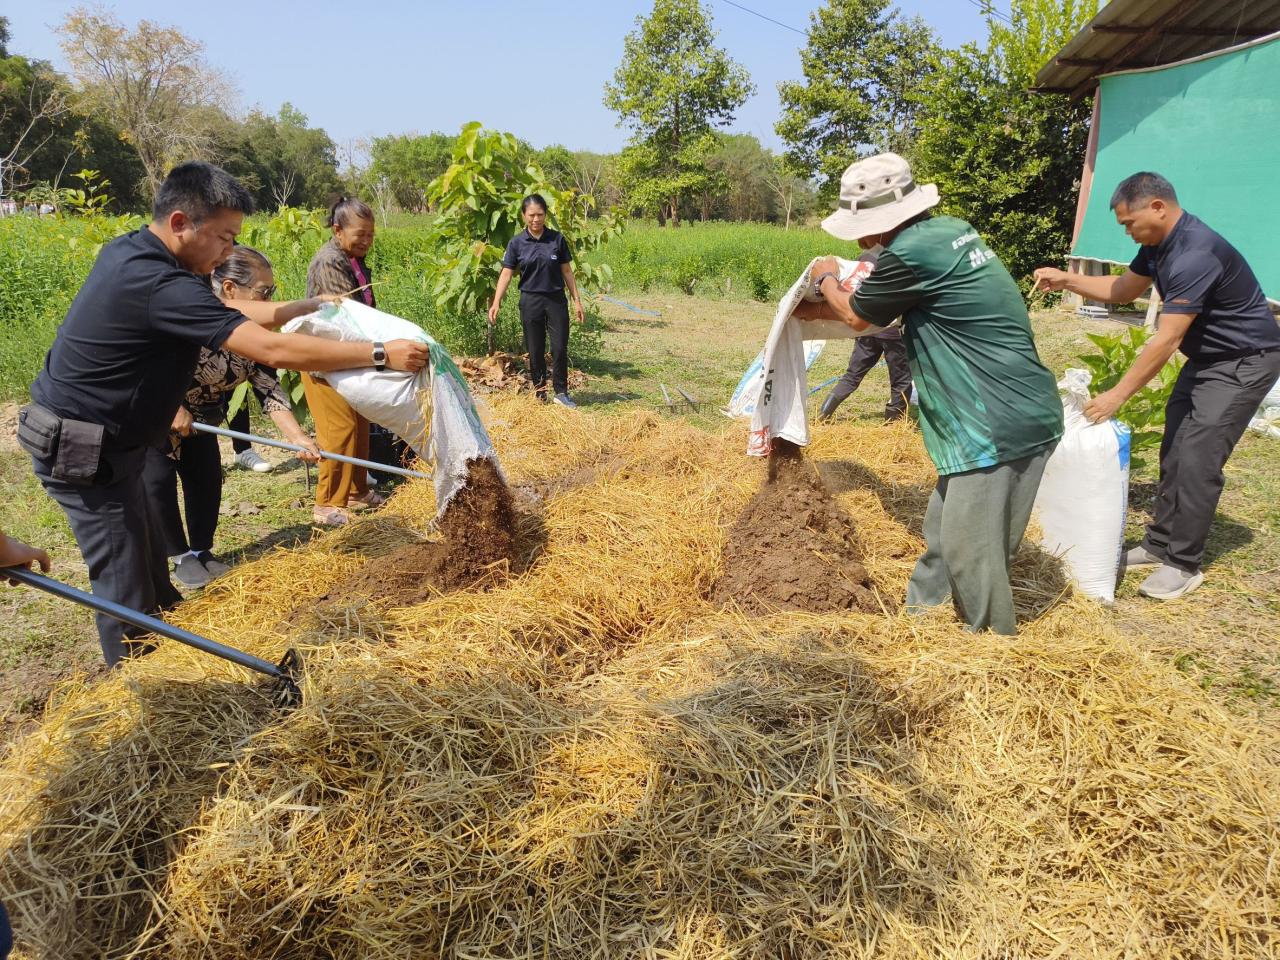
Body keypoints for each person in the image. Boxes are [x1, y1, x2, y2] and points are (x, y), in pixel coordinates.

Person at [19, 161, 428, 667]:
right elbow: (271, 352)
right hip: (82, 444)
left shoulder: (142, 255)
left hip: (113, 439)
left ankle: (165, 649)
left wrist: (303, 307)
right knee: (125, 586)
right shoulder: (155, 280)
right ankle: (136, 695)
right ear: (179, 223)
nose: (229, 251)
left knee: (150, 570)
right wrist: (379, 354)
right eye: (224, 237)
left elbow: (236, 312)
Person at [793, 153, 1063, 635]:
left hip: (996, 417)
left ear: (882, 220)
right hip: (1011, 404)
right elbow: (894, 309)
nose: (857, 237)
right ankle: (921, 621)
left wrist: (826, 277)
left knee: (970, 549)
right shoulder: (949, 233)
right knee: (943, 530)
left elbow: (859, 318)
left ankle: (990, 646)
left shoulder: (910, 254)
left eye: (861, 223)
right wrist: (812, 316)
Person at [1034, 172, 1280, 600]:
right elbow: (1123, 290)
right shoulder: (1157, 246)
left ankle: (1183, 563)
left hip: (1244, 361)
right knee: (1175, 446)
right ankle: (1157, 543)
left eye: (1129, 223)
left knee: (1199, 455)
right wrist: (1066, 278)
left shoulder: (1195, 253)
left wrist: (1116, 395)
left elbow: (1166, 339)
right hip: (1208, 359)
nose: (1127, 233)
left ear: (1158, 208)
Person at [142, 246, 323, 589]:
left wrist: (297, 437)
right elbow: (148, 363)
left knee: (206, 480)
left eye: (272, 291)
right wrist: (170, 408)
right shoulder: (188, 317)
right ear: (229, 289)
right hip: (158, 413)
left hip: (204, 418)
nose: (271, 300)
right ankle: (179, 557)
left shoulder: (252, 336)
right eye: (263, 292)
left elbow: (269, 389)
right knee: (158, 483)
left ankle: (201, 550)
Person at [303, 196, 383, 526]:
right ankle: (326, 504)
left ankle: (356, 490)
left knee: (359, 423)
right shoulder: (329, 263)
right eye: (359, 234)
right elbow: (346, 315)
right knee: (340, 429)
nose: (366, 241)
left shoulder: (351, 257)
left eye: (370, 235)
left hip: (348, 356)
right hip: (323, 358)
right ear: (338, 230)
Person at [488, 194, 586, 408]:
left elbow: (567, 272)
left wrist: (576, 300)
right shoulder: (516, 243)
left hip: (556, 300)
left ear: (545, 215)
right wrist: (496, 302)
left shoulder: (556, 239)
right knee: (535, 349)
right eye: (531, 215)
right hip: (530, 301)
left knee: (560, 347)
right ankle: (540, 393)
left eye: (540, 215)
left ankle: (561, 393)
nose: (536, 219)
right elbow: (506, 274)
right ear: (523, 216)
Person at [817, 248, 913, 422]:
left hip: (865, 326)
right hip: (892, 331)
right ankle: (894, 426)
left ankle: (823, 415)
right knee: (901, 380)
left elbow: (852, 285)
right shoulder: (900, 258)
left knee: (852, 375)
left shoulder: (865, 256)